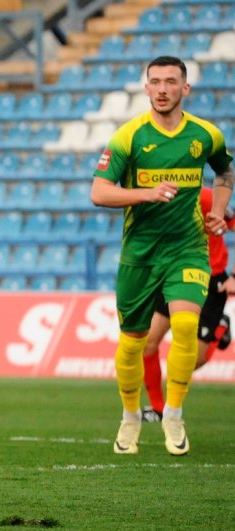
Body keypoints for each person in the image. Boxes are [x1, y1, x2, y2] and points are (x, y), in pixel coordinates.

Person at [91, 55, 234, 457]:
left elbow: (224, 173)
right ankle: (130, 416)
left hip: (187, 248)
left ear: (185, 88)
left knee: (185, 327)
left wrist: (218, 211)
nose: (162, 89)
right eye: (155, 82)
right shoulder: (129, 137)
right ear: (147, 87)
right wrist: (145, 193)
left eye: (171, 82)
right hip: (139, 255)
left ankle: (173, 412)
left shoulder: (206, 135)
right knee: (133, 343)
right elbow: (99, 192)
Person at [142, 187, 234, 422]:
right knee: (148, 342)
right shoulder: (155, 195)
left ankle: (218, 331)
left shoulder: (205, 197)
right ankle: (159, 409)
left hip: (210, 280)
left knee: (193, 360)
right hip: (174, 277)